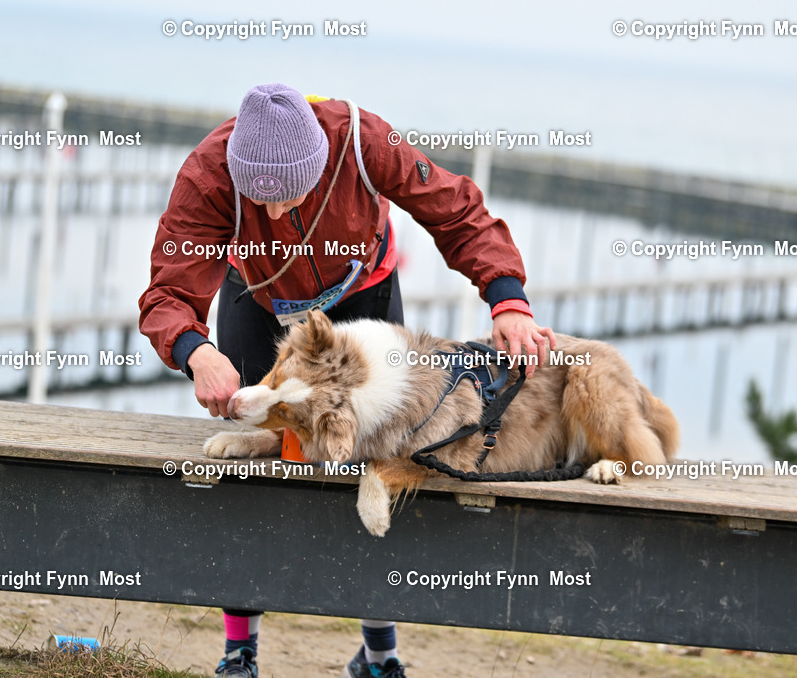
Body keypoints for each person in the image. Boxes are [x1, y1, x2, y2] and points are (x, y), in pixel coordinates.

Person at [138, 83, 555, 678]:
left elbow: (457, 211)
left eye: (291, 196)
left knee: (384, 458)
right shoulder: (209, 172)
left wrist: (507, 299)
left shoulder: (362, 142)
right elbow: (168, 291)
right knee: (247, 468)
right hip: (258, 299)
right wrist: (194, 350)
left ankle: (378, 652)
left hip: (365, 299)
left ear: (320, 164)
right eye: (261, 200)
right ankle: (239, 652)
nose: (277, 213)